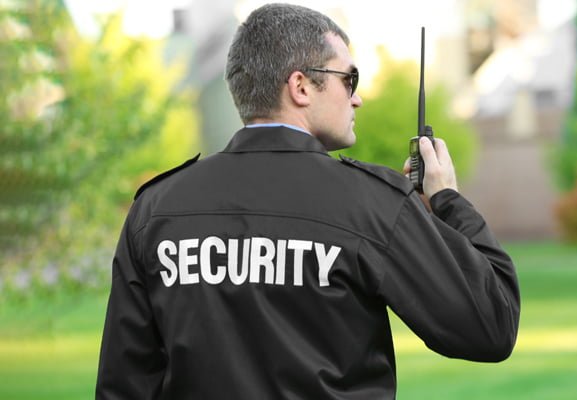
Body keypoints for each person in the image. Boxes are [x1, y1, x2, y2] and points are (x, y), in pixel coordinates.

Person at [96, 3, 520, 399]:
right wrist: (446, 199)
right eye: (348, 79)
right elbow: (491, 324)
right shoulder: (372, 204)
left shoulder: (156, 210)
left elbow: (124, 385)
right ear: (300, 86)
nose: (357, 97)